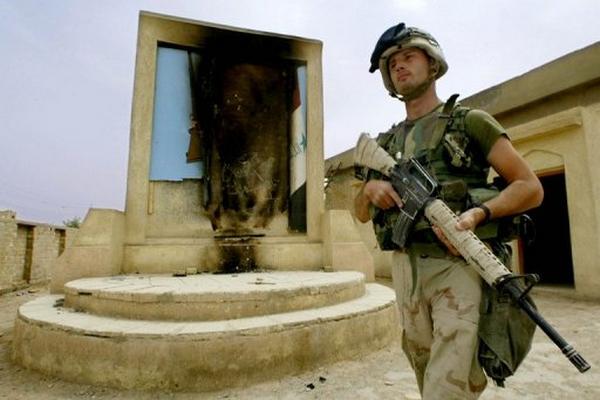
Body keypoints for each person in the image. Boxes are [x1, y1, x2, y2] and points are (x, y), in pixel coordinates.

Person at [354, 23, 544, 399]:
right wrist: (370, 190)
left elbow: (530, 187)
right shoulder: (386, 142)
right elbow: (359, 212)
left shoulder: (469, 122)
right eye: (392, 65)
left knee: (450, 384)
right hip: (406, 270)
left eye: (409, 57)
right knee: (425, 370)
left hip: (455, 266)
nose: (400, 67)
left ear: (433, 63)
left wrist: (478, 215)